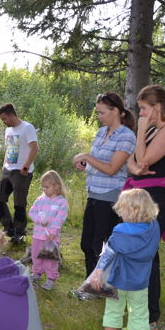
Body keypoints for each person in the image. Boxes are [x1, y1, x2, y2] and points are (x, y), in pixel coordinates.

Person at [125, 85, 165, 330]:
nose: (141, 114)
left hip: (157, 198)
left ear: (157, 108)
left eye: (144, 109)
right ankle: (141, 312)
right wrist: (136, 165)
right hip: (141, 196)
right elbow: (133, 160)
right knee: (138, 253)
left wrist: (139, 132)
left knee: (147, 255)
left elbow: (143, 159)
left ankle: (150, 317)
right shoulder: (153, 130)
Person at [72, 92, 137, 282]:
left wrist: (87, 157)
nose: (99, 116)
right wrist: (84, 163)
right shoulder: (101, 132)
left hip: (110, 197)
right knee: (87, 243)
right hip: (93, 193)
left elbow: (112, 169)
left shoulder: (126, 136)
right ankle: (90, 282)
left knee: (100, 245)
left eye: (102, 113)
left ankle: (101, 284)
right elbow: (97, 161)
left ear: (115, 111)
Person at [91, 189, 161, 330]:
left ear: (132, 210)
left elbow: (108, 254)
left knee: (113, 311)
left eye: (121, 208)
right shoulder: (154, 227)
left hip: (118, 280)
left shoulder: (121, 230)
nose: (119, 212)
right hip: (141, 281)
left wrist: (98, 272)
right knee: (140, 313)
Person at [0, 103, 39, 243]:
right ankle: (9, 228)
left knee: (19, 203)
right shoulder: (8, 131)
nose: (3, 122)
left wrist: (26, 166)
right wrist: (4, 167)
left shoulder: (27, 127)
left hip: (22, 171)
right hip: (8, 170)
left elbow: (34, 148)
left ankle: (19, 232)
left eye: (4, 119)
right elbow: (8, 149)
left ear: (11, 115)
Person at [28, 170, 69, 291]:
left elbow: (60, 218)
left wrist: (53, 232)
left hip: (51, 237)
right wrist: (39, 220)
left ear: (56, 186)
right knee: (36, 255)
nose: (44, 190)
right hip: (37, 235)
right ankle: (36, 273)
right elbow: (32, 212)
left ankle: (51, 278)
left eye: (47, 187)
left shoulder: (62, 202)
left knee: (50, 258)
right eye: (43, 187)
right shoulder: (40, 199)